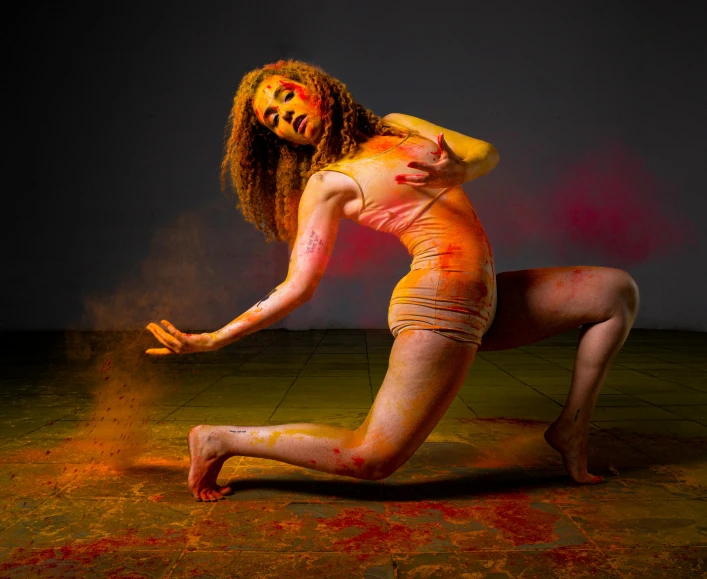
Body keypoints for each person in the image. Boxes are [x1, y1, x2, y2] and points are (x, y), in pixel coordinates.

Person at [146, 60, 639, 502]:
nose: (282, 114)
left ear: (314, 86)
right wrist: (215, 337)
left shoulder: (399, 126)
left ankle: (571, 428)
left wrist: (458, 170)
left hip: (487, 300)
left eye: (285, 94)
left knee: (615, 293)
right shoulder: (328, 183)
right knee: (373, 458)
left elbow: (485, 154)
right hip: (439, 302)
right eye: (271, 118)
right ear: (282, 139)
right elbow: (298, 285)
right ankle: (221, 439)